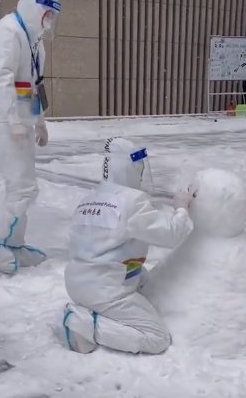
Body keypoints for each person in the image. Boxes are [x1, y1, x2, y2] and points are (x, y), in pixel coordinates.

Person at [63, 137, 193, 354]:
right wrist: (181, 209)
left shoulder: (89, 199)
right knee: (157, 338)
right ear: (127, 168)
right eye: (138, 168)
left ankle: (90, 313)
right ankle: (84, 325)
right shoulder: (130, 201)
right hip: (106, 290)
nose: (141, 174)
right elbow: (170, 235)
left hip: (78, 283)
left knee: (145, 280)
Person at [0, 0, 61, 274]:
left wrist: (39, 122)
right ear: (35, 9)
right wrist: (12, 118)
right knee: (22, 187)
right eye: (47, 14)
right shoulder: (7, 33)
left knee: (23, 187)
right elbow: (1, 80)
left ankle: (13, 243)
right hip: (2, 121)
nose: (49, 21)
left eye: (53, 16)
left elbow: (34, 87)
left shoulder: (34, 42)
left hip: (21, 122)